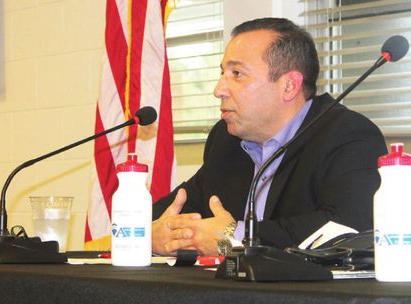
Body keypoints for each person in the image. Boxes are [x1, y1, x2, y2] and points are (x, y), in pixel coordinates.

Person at [151, 17, 387, 256]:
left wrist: (235, 236)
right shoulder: (227, 139)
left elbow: (350, 227)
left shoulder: (347, 135)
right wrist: (156, 233)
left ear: (289, 86)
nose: (218, 90)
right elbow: (179, 206)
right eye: (223, 73)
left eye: (237, 73)